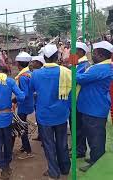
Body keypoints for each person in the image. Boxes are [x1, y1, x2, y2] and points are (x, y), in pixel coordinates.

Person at [30, 44, 71, 179]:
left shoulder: (36, 74)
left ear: (44, 58)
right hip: (61, 113)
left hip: (44, 115)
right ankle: (65, 168)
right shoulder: (66, 71)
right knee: (62, 142)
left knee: (48, 145)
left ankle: (53, 171)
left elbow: (32, 90)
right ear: (56, 56)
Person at [77, 41, 113, 172]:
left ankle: (97, 162)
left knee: (96, 137)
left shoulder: (99, 68)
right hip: (92, 107)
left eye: (95, 53)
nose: (93, 55)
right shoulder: (99, 66)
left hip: (94, 109)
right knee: (93, 136)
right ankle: (94, 157)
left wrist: (70, 69)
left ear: (102, 55)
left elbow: (79, 78)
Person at [14, 52, 34, 160]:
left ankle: (28, 150)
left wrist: (15, 99)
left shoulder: (22, 77)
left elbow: (24, 94)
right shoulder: (29, 73)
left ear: (19, 64)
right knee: (23, 125)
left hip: (24, 105)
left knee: (22, 127)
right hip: (29, 103)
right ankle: (24, 146)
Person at [74, 42, 91, 159]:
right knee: (76, 125)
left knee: (79, 126)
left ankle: (80, 150)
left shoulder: (84, 65)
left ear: (80, 52)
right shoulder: (79, 62)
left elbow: (75, 78)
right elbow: (70, 65)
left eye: (74, 50)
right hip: (76, 98)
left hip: (79, 99)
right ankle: (77, 147)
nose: (71, 53)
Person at [29, 56, 45, 142]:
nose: (31, 64)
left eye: (34, 62)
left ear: (39, 63)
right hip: (38, 99)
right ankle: (41, 135)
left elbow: (31, 88)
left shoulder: (37, 73)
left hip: (40, 99)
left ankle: (43, 137)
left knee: (41, 118)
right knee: (38, 117)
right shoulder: (37, 72)